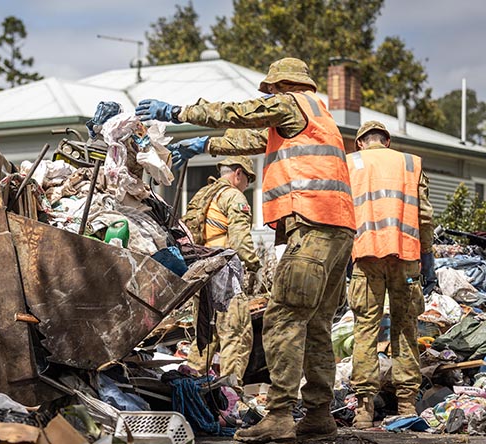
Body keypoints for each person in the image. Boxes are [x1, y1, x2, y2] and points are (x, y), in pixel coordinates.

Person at [136, 57, 355, 443]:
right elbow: (251, 138)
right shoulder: (317, 118)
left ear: (282, 85)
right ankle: (320, 416)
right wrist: (205, 143)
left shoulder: (292, 102)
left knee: (282, 320)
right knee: (316, 326)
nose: (269, 95)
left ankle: (281, 415)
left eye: (271, 89)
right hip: (338, 230)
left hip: (312, 224)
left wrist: (177, 112)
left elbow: (241, 113)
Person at [346, 121, 435, 428]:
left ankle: (364, 410)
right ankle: (407, 404)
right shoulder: (409, 163)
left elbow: (341, 212)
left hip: (365, 256)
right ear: (386, 141)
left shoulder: (349, 164)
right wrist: (428, 257)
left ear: (360, 143)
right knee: (405, 329)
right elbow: (424, 215)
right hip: (405, 255)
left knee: (365, 331)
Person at [184, 156, 262, 390]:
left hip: (201, 270)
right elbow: (239, 239)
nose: (247, 185)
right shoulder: (233, 195)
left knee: (205, 335)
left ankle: (192, 386)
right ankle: (231, 395)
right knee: (237, 333)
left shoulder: (204, 195)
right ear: (238, 173)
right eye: (248, 179)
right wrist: (253, 264)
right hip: (224, 273)